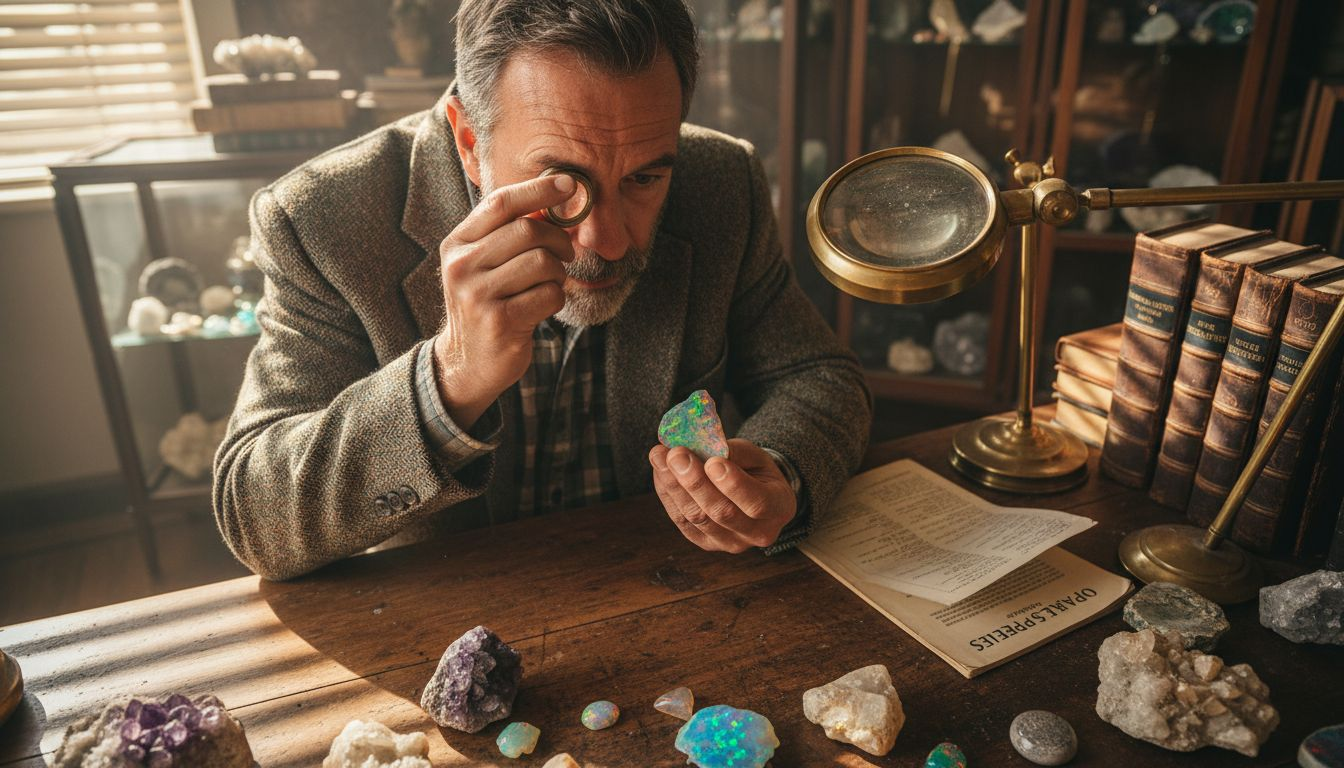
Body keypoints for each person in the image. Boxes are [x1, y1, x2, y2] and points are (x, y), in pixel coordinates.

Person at [213, 0, 871, 581]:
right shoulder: (320, 219)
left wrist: (780, 472)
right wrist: (449, 379)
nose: (607, 242)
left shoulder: (722, 179)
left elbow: (818, 375)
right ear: (470, 142)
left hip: (663, 595)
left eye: (644, 179)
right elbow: (255, 518)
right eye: (562, 185)